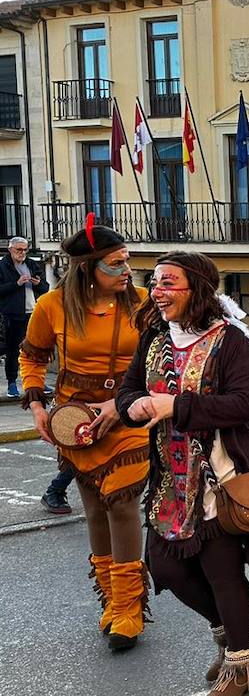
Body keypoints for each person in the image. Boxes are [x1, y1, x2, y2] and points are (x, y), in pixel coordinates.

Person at [117, 252, 249, 696]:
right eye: (154, 282)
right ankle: (237, 630)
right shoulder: (154, 337)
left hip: (218, 478)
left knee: (222, 573)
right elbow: (131, 387)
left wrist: (177, 407)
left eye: (168, 282)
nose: (157, 291)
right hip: (170, 479)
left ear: (198, 289)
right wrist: (132, 405)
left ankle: (242, 664)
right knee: (166, 568)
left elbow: (244, 404)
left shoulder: (229, 341)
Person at [19, 217, 150, 650]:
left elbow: (167, 362)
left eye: (127, 261)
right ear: (86, 268)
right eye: (115, 264)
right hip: (76, 420)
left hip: (129, 415)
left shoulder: (146, 305)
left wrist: (122, 405)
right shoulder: (51, 306)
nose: (126, 271)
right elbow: (32, 357)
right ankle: (111, 602)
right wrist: (38, 406)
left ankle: (131, 608)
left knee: (124, 505)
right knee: (94, 507)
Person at [2, 236, 49, 398]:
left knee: (35, 348)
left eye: (25, 250)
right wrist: (17, 283)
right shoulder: (3, 266)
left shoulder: (31, 264)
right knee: (13, 349)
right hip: (12, 314)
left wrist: (37, 284)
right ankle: (12, 383)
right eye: (19, 250)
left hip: (33, 313)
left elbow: (46, 288)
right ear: (10, 250)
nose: (22, 253)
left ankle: (39, 381)